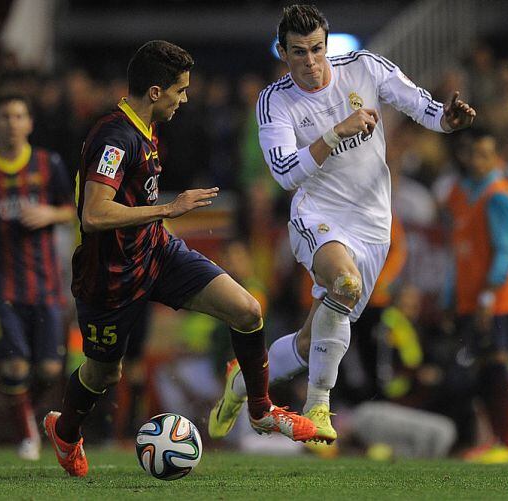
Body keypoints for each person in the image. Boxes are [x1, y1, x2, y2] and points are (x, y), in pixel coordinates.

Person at [42, 40, 316, 478]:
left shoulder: (145, 129)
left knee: (247, 310)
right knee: (102, 374)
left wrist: (164, 227)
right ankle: (67, 431)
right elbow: (94, 214)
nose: (184, 99)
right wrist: (169, 209)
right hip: (109, 276)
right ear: (155, 91)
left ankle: (262, 410)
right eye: (179, 90)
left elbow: (133, 200)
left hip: (156, 252)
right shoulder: (115, 137)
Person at [209, 4, 475, 444]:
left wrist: (447, 120)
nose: (310, 62)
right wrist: (335, 134)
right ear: (283, 51)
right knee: (344, 285)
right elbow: (283, 172)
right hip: (318, 216)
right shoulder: (275, 100)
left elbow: (422, 106)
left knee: (307, 342)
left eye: (316, 49)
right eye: (298, 52)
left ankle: (241, 383)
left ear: (326, 45)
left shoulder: (365, 68)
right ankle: (319, 403)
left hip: (373, 227)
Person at [0, 92, 76, 460]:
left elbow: (70, 209)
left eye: (19, 115)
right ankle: (27, 436)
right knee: (15, 364)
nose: (12, 122)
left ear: (30, 123)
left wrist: (49, 215)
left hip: (46, 284)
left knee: (50, 369)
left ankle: (22, 410)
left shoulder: (48, 164)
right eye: (5, 116)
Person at [446, 130, 508, 464]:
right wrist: (450, 295)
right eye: (474, 153)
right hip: (472, 297)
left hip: (496, 300)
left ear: (496, 157)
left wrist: (486, 298)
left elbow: (505, 253)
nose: (479, 160)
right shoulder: (465, 193)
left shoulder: (498, 196)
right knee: (484, 368)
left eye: (486, 154)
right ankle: (496, 439)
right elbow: (461, 251)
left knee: (497, 365)